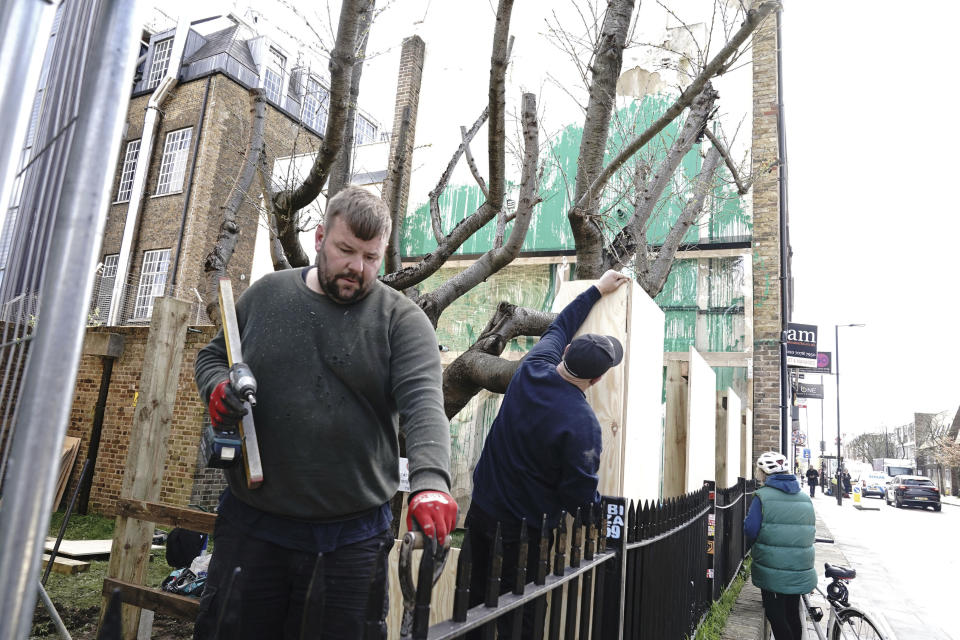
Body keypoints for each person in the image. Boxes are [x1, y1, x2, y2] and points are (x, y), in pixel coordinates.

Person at [193, 187, 457, 640]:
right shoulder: (266, 296)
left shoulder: (402, 321)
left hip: (350, 539)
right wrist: (218, 387)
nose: (357, 267)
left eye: (371, 257)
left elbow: (423, 403)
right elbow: (215, 356)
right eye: (346, 250)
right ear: (319, 238)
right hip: (253, 525)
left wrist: (431, 483)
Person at [465, 269, 630, 638]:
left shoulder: (532, 367)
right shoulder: (583, 424)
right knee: (520, 616)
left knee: (471, 606)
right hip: (524, 534)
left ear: (567, 351)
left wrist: (596, 289)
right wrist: (607, 514)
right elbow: (578, 496)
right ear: (598, 379)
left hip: (482, 513)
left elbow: (562, 324)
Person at [744, 451, 816, 640]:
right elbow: (810, 531)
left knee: (776, 615)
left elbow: (750, 529)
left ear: (764, 473)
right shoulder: (804, 498)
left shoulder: (762, 497)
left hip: (773, 567)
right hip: (800, 566)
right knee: (792, 614)